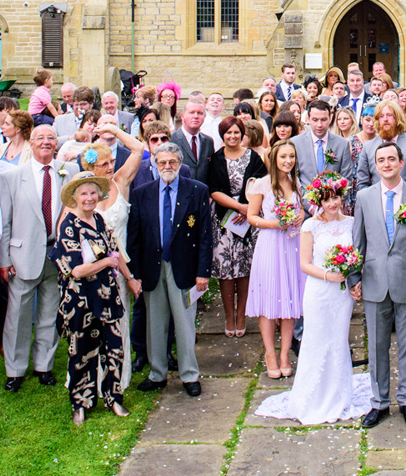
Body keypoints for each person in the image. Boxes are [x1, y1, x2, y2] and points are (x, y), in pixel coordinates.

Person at [255, 174, 372, 424]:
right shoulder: (309, 226)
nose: (333, 204)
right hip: (319, 291)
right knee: (316, 338)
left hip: (341, 296)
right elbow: (304, 265)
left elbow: (356, 257)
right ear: (319, 200)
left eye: (336, 198)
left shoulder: (351, 223)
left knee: (338, 338)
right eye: (327, 199)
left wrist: (352, 280)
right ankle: (312, 394)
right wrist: (330, 276)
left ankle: (339, 393)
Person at [350, 139, 406, 430]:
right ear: (376, 165)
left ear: (401, 163)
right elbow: (357, 241)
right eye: (381, 160)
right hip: (374, 282)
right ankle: (379, 402)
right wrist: (354, 278)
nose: (386, 164)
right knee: (376, 345)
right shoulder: (364, 198)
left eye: (391, 159)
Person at [0, 123, 80, 391]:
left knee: (48, 313)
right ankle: (15, 370)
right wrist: (4, 259)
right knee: (18, 315)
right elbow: (5, 223)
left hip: (56, 255)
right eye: (40, 138)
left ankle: (43, 365)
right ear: (30, 142)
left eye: (51, 138)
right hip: (22, 255)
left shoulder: (69, 173)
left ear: (57, 143)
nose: (46, 142)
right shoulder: (12, 177)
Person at [128, 142, 213, 396]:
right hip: (151, 267)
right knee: (155, 323)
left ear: (180, 164)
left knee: (185, 323)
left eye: (172, 162)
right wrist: (135, 275)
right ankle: (157, 374)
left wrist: (203, 272)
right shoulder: (142, 193)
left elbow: (206, 236)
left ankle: (189, 375)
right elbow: (134, 237)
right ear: (155, 164)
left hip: (185, 268)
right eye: (162, 162)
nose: (167, 167)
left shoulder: (197, 190)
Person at [53, 172, 138, 425]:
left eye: (92, 193)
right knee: (81, 352)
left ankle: (114, 398)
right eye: (84, 194)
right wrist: (106, 263)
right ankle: (80, 402)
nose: (89, 198)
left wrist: (129, 277)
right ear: (75, 198)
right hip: (81, 300)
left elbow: (115, 252)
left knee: (114, 348)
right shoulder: (68, 226)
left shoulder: (100, 220)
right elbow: (76, 270)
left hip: (108, 295)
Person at [78, 131, 146, 388]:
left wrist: (114, 131)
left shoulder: (120, 182)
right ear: (91, 168)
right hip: (90, 268)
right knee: (90, 323)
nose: (110, 167)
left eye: (111, 161)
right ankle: (89, 378)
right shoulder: (83, 194)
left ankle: (118, 377)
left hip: (120, 267)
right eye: (103, 164)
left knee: (118, 321)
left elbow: (138, 149)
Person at [246, 140, 307, 378]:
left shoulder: (295, 183)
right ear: (274, 158)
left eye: (291, 156)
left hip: (292, 245)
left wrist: (300, 214)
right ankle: (270, 354)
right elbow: (252, 216)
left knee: (290, 301)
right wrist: (275, 224)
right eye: (283, 157)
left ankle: (284, 355)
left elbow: (300, 208)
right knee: (270, 300)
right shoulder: (261, 184)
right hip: (271, 244)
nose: (288, 161)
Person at [207, 116, 266, 338]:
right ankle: (228, 317)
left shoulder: (253, 158)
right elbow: (213, 189)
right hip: (224, 221)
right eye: (228, 133)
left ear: (243, 134)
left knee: (244, 271)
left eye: (236, 132)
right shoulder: (214, 159)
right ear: (222, 135)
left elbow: (261, 184)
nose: (232, 136)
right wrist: (238, 207)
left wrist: (248, 208)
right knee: (226, 273)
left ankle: (241, 316)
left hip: (248, 222)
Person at [294, 98, 357, 196]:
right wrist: (309, 205)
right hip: (305, 205)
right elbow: (294, 179)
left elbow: (346, 178)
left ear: (330, 119)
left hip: (333, 205)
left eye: (323, 120)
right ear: (308, 119)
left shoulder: (342, 144)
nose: (319, 125)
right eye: (315, 120)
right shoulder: (296, 143)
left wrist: (334, 202)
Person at [173, 99, 216, 185]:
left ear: (204, 117)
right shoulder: (171, 139)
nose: (196, 116)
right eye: (191, 112)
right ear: (182, 116)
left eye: (199, 113)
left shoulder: (208, 142)